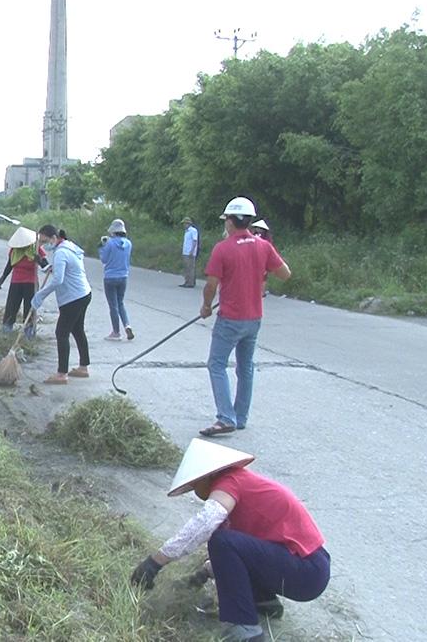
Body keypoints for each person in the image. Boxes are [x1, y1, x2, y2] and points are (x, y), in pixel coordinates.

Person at [130, 438, 330, 642]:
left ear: (205, 476)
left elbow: (204, 525)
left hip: (306, 570)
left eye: (194, 484)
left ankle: (245, 629)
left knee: (222, 541)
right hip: (309, 568)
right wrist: (204, 572)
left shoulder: (229, 482)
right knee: (227, 544)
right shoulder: (243, 483)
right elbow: (249, 553)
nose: (195, 491)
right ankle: (262, 601)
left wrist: (155, 562)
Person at [199, 197, 291, 437]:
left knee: (216, 364)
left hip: (230, 318)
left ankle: (225, 417)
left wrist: (206, 307)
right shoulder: (263, 246)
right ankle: (240, 417)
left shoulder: (223, 248)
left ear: (230, 221)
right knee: (245, 367)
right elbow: (285, 273)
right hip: (254, 318)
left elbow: (210, 285)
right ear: (249, 221)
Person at [31, 225, 92, 384]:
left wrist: (40, 295)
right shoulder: (69, 246)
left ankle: (62, 373)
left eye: (44, 241)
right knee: (77, 330)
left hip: (73, 298)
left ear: (53, 238)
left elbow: (58, 279)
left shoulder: (61, 253)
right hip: (83, 293)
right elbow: (61, 270)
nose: (44, 245)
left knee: (61, 332)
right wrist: (44, 265)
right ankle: (83, 367)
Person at [0, 226, 47, 337]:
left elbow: (46, 266)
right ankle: (6, 330)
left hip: (30, 282)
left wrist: (40, 260)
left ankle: (29, 333)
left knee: (29, 308)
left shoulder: (36, 249)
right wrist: (1, 279)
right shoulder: (15, 250)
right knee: (11, 307)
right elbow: (9, 266)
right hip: (16, 282)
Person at [98, 218, 134, 341]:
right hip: (123, 276)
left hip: (110, 277)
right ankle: (127, 325)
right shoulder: (128, 244)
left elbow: (104, 259)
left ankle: (116, 332)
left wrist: (101, 247)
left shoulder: (109, 243)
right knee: (121, 302)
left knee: (113, 305)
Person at [180, 216, 199, 287]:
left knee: (190, 267)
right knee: (186, 268)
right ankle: (187, 281)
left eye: (184, 224)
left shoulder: (193, 230)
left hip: (190, 252)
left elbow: (195, 241)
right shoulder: (186, 231)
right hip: (185, 252)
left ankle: (190, 283)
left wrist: (192, 250)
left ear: (188, 224)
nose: (184, 225)